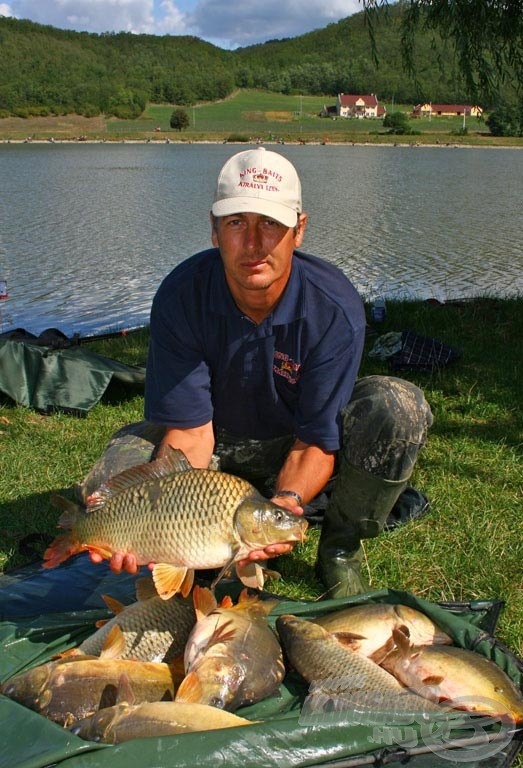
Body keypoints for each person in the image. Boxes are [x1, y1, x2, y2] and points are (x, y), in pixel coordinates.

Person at [86, 146, 432, 598]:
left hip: (294, 444)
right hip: (215, 452)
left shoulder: (333, 308)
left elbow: (315, 441)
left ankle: (339, 550)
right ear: (214, 229)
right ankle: (176, 549)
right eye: (236, 223)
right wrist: (161, 515)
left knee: (396, 407)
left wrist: (286, 505)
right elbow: (190, 435)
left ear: (298, 230)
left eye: (270, 224)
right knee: (109, 480)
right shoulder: (181, 296)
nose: (253, 243)